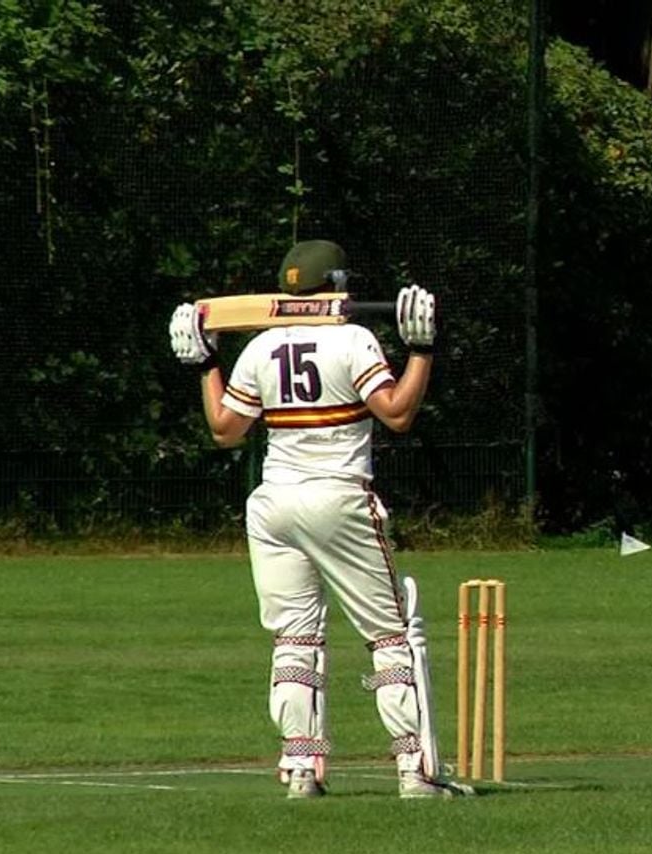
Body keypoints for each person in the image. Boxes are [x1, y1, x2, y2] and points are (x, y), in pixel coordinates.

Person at [167, 239, 472, 800]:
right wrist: (423, 350)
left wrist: (206, 363)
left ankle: (301, 770)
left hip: (274, 502)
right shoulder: (354, 340)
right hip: (338, 497)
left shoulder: (260, 347)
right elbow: (397, 413)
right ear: (334, 284)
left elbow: (224, 429)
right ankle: (414, 771)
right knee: (390, 634)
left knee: (294, 637)